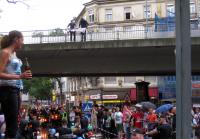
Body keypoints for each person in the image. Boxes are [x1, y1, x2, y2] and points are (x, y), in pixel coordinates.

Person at [0, 30, 32, 139]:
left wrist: (20, 89)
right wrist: (20, 76)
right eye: (22, 40)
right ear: (16, 39)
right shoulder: (5, 53)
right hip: (7, 90)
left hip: (16, 90)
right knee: (12, 127)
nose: (22, 43)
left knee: (14, 124)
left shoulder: (14, 53)